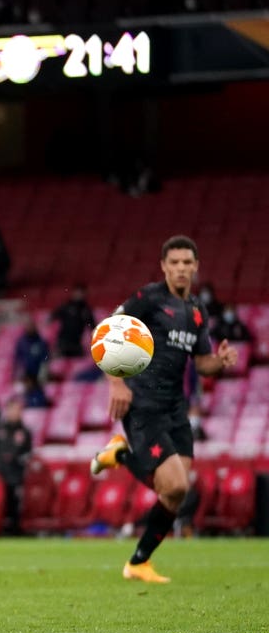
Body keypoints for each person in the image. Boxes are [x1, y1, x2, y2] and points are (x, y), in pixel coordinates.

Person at [89, 236, 238, 584]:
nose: (182, 268)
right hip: (142, 404)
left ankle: (138, 562)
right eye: (175, 263)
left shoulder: (197, 311)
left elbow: (202, 364)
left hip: (175, 408)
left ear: (196, 266)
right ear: (164, 266)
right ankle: (122, 454)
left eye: (188, 262)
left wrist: (221, 362)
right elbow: (106, 332)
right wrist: (115, 383)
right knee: (173, 485)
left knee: (176, 492)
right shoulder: (148, 299)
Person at [0, 396, 32, 535]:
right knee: (0, 502)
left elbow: (27, 453)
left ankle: (14, 529)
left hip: (16, 475)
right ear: (7, 411)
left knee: (15, 503)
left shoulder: (24, 432)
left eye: (18, 410)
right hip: (0, 474)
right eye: (12, 409)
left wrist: (18, 461)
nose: (15, 413)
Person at [49, 284, 95, 359]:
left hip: (76, 343)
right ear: (73, 293)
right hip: (63, 341)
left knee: (78, 365)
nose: (79, 295)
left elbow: (92, 326)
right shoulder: (66, 306)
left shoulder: (86, 310)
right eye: (78, 292)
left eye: (81, 293)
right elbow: (52, 317)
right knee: (58, 363)